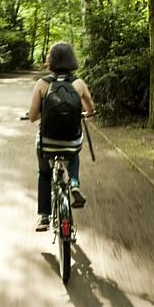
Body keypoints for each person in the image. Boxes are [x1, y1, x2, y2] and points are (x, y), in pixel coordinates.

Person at [28, 42, 96, 231]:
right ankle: (74, 181)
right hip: (71, 143)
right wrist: (84, 113)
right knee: (74, 148)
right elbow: (91, 110)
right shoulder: (79, 84)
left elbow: (32, 117)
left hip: (47, 143)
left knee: (44, 173)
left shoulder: (42, 85)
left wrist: (45, 112)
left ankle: (43, 216)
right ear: (72, 60)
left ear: (50, 61)